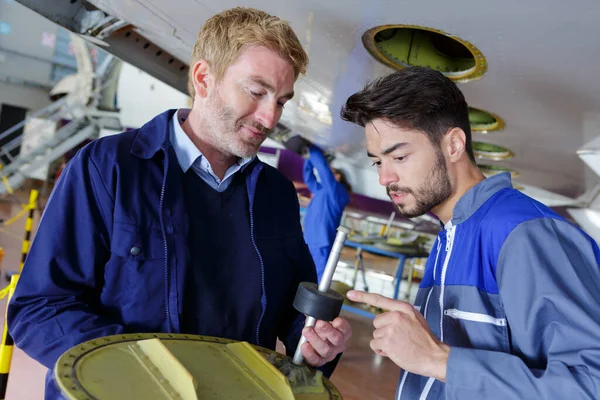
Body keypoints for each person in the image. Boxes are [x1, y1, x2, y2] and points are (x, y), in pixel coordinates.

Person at [8, 7, 352, 398]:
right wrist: (146, 373)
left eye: (281, 101)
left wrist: (318, 342)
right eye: (257, 92)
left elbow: (296, 317)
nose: (270, 117)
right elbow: (40, 309)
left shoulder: (276, 194)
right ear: (204, 78)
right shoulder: (107, 168)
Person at [340, 66, 600, 399]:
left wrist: (438, 360)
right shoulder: (451, 236)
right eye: (378, 162)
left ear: (453, 145)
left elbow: (590, 384)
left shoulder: (525, 234)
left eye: (400, 156)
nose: (384, 178)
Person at [302, 145, 351, 281]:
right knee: (304, 276)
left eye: (332, 172)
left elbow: (324, 171)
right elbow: (309, 178)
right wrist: (308, 157)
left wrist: (314, 149)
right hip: (310, 240)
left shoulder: (338, 193)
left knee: (317, 280)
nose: (328, 174)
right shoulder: (321, 191)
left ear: (338, 177)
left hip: (322, 241)